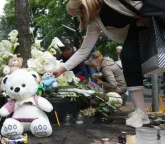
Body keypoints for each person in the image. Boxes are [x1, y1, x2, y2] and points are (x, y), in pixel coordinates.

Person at [52, 0, 151, 128]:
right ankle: (141, 112)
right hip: (137, 31)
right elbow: (83, 51)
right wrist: (60, 70)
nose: (79, 15)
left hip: (153, 20)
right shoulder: (95, 22)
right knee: (128, 56)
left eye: (79, 10)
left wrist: (145, 14)